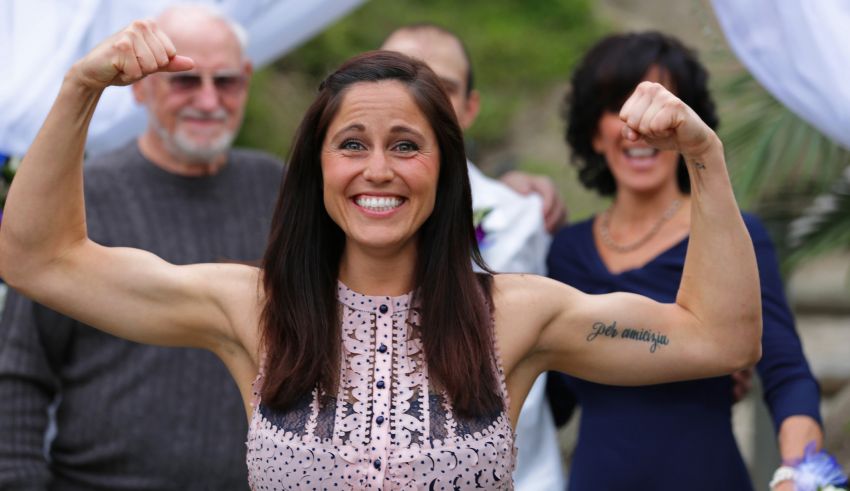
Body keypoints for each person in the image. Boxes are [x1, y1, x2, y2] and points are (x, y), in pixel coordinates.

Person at [0, 20, 762, 489]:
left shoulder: (518, 313)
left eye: (406, 145)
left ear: (445, 167)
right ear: (317, 168)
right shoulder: (252, 308)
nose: (378, 170)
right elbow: (39, 259)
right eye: (352, 144)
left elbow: (718, 335)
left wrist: (703, 153)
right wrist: (79, 87)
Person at [0, 6, 281, 489]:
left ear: (248, 79)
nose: (209, 100)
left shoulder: (283, 192)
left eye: (227, 81)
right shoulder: (76, 199)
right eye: (186, 81)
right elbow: (18, 370)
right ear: (141, 86)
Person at [545, 31, 823, 490]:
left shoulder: (735, 239)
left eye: (660, 108)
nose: (642, 127)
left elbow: (788, 374)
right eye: (619, 106)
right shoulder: (564, 250)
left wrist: (801, 473)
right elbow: (547, 400)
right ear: (594, 132)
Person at [381, 23, 565, 489]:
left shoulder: (520, 215)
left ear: (470, 106)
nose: (420, 100)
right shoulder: (339, 209)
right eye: (399, 79)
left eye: (442, 87)